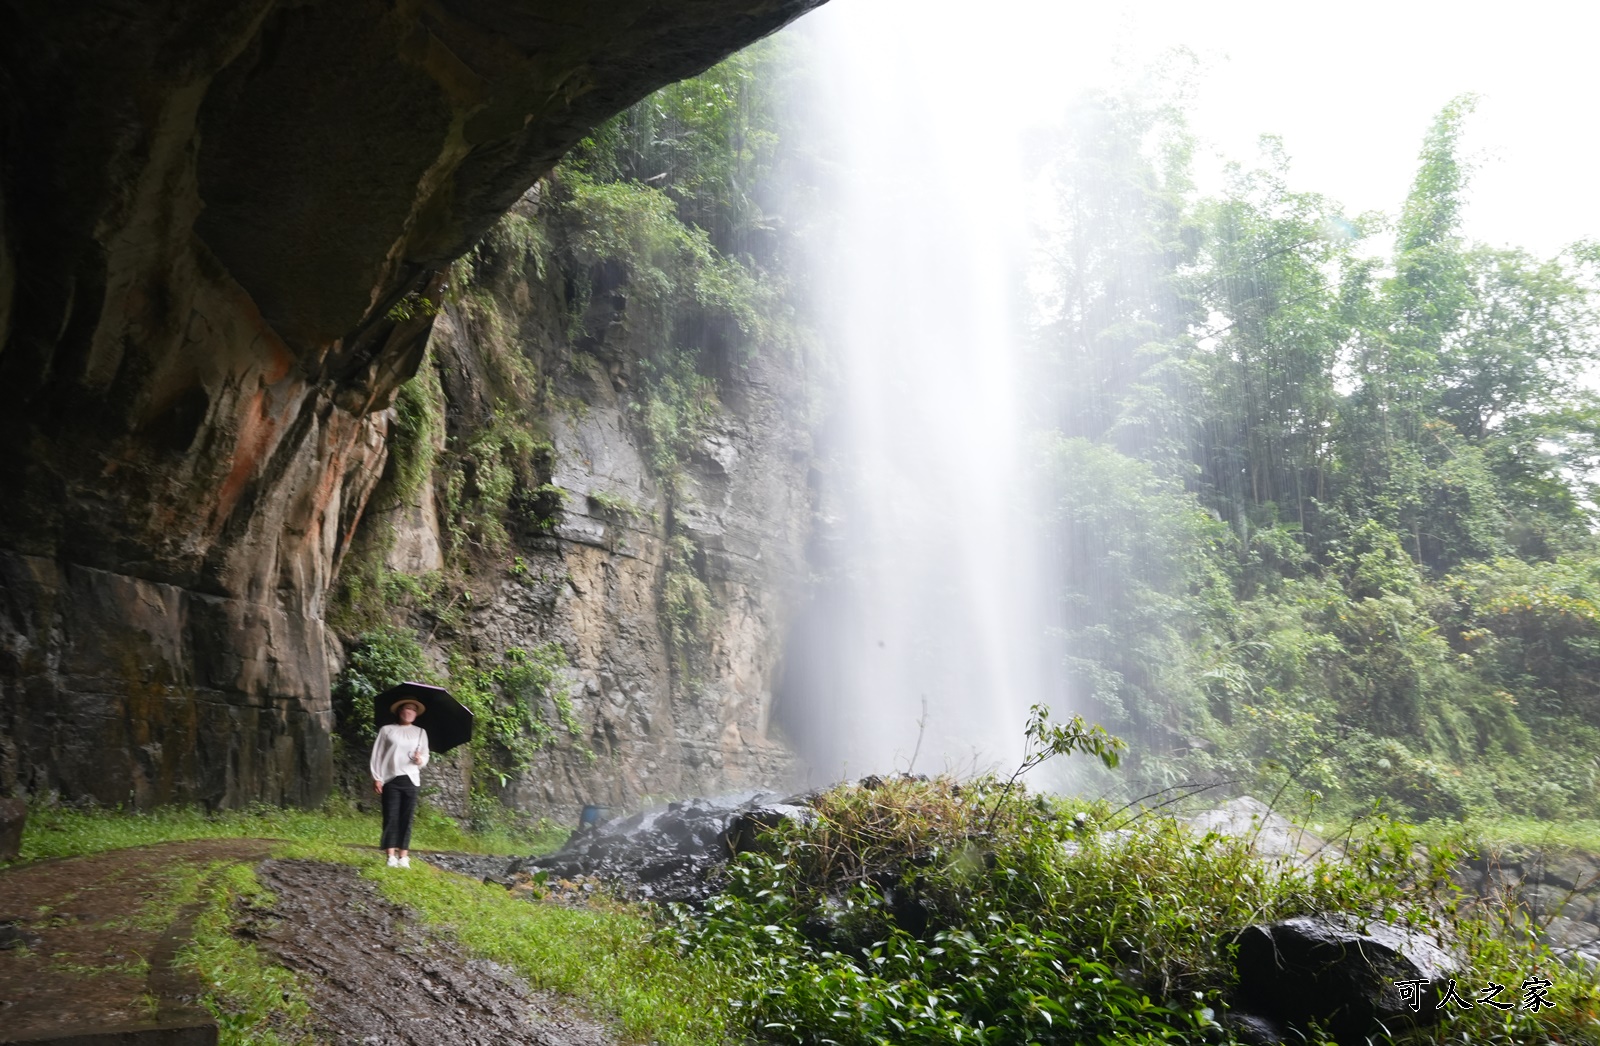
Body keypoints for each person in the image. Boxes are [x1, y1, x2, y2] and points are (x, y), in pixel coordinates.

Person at [370, 698, 430, 867]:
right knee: (391, 816)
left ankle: (404, 856)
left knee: (407, 817)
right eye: (406, 709)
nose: (409, 712)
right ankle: (391, 855)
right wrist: (377, 777)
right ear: (399, 711)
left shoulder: (420, 732)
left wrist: (420, 760)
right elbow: (378, 755)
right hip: (391, 778)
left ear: (416, 714)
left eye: (413, 710)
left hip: (411, 779)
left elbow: (425, 755)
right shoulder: (387, 730)